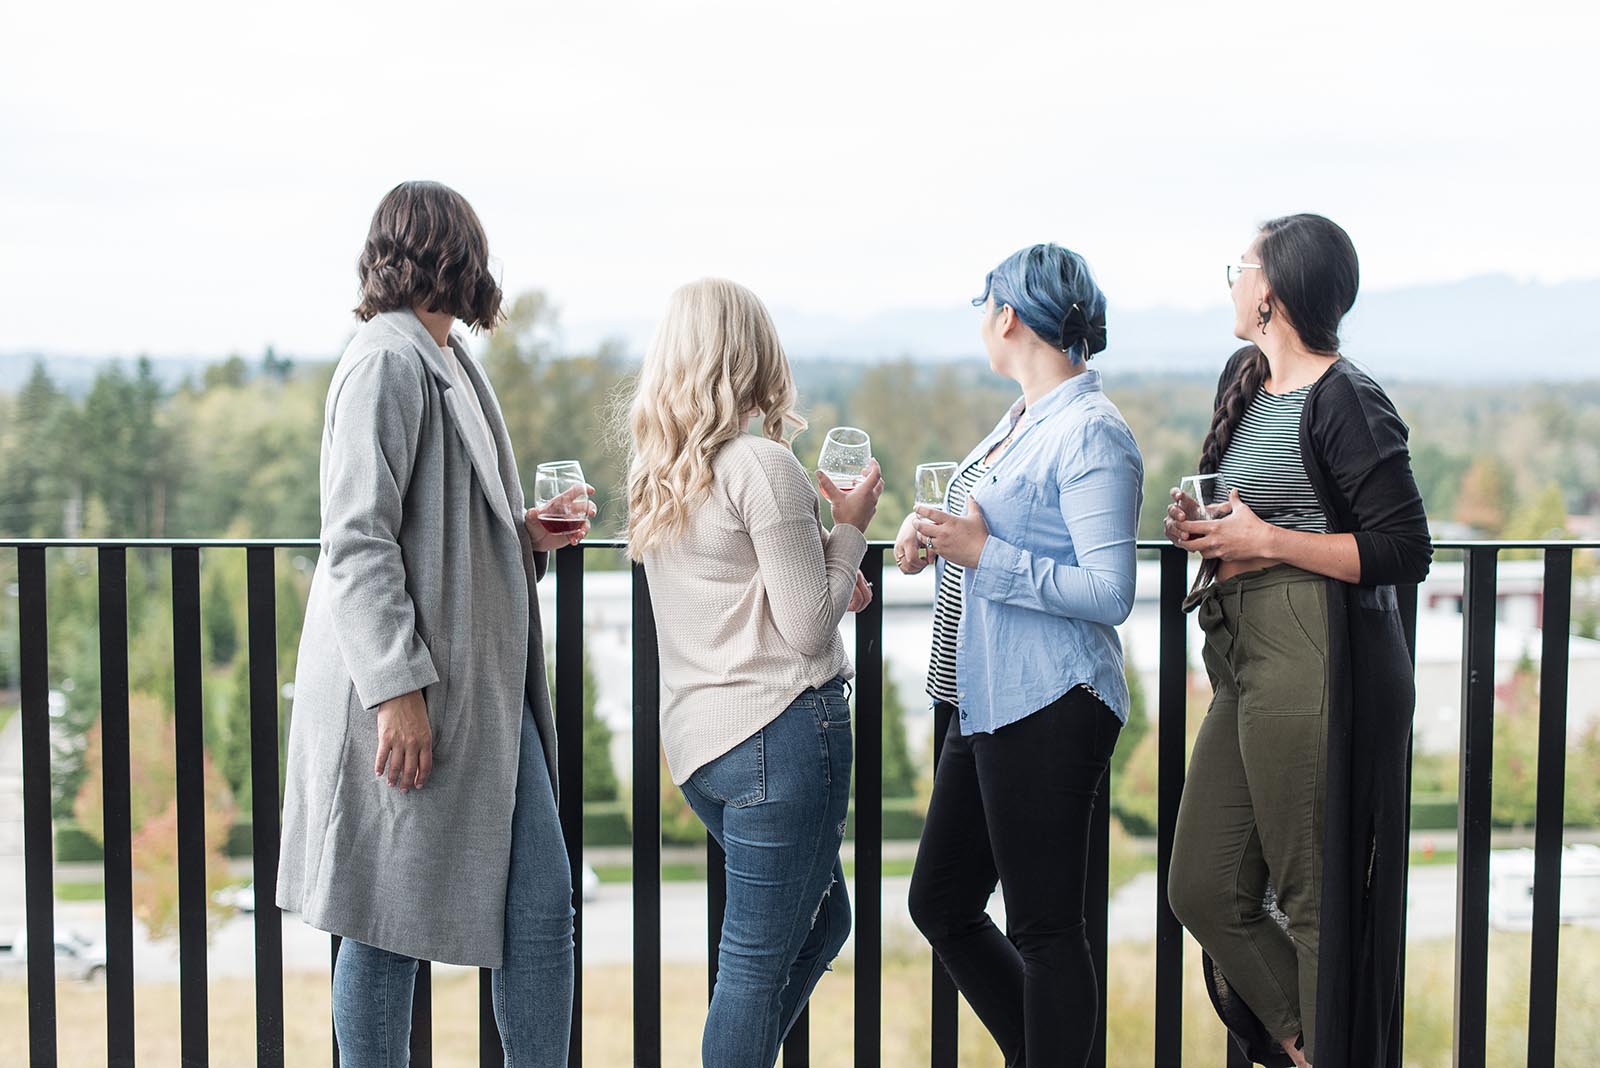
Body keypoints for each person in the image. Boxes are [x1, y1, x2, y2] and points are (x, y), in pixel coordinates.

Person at [277, 180, 592, 1066]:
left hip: (483, 695)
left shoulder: (448, 358)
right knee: (383, 920)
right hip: (413, 693)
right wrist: (396, 692)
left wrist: (525, 536)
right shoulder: (384, 360)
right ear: (451, 253)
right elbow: (358, 541)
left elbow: (439, 531)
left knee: (541, 905)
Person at [1163, 213, 1432, 1068]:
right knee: (1201, 883)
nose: (1232, 280)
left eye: (1239, 266)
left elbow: (1404, 549)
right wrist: (1207, 534)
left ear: (1272, 290)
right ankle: (1310, 1042)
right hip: (1245, 653)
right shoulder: (1245, 377)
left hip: (1314, 653)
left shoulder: (1347, 398)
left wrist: (1265, 541)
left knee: (1314, 898)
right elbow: (1249, 513)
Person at [624, 277, 881, 1068]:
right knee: (750, 971)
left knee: (824, 921)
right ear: (753, 355)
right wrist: (849, 531)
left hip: (705, 752)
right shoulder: (761, 465)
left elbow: (747, 595)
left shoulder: (659, 475)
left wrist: (829, 561)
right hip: (780, 738)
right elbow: (808, 630)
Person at [900, 243, 1143, 1068]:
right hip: (989, 698)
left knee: (1045, 929)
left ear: (1008, 314)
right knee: (941, 902)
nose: (981, 320)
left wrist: (981, 554)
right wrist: (930, 531)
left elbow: (1111, 592)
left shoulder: (1092, 433)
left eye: (984, 304)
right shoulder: (1023, 419)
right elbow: (983, 520)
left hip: (1051, 702)